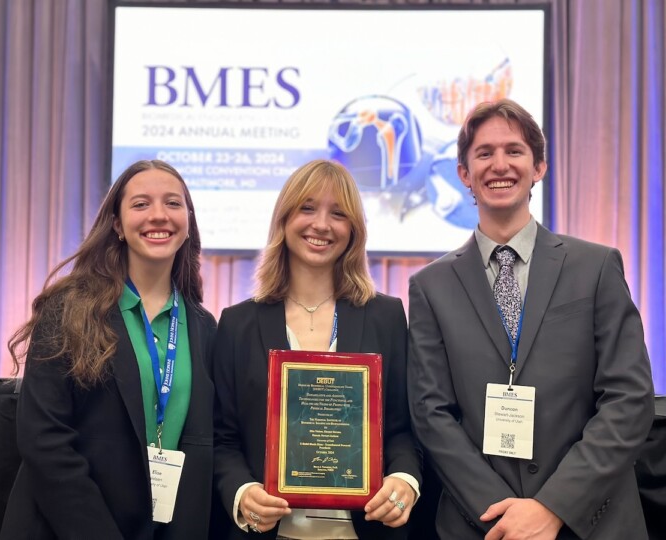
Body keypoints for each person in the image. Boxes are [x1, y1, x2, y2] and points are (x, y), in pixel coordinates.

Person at [407, 99, 655, 539]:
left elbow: (628, 398)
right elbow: (431, 414)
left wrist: (551, 507)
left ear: (539, 166)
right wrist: (505, 516)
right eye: (484, 153)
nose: (499, 165)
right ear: (464, 173)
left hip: (591, 521)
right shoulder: (431, 286)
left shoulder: (596, 267)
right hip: (480, 525)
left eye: (514, 151)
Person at [0, 160, 217, 539]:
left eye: (172, 203)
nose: (158, 216)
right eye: (140, 205)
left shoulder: (202, 326)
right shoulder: (69, 309)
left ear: (188, 222)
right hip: (68, 528)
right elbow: (44, 440)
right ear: (117, 224)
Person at [211, 159, 422, 539]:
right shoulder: (237, 323)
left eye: (338, 213)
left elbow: (402, 429)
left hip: (364, 531)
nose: (321, 224)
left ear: (353, 230)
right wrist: (242, 493)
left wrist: (405, 480)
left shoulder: (386, 316)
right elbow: (223, 438)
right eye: (307, 208)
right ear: (284, 220)